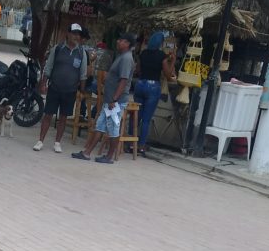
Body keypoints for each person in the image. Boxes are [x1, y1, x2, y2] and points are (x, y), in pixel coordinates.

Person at [72, 32, 135, 165]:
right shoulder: (121, 56)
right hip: (110, 100)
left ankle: (109, 156)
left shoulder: (126, 59)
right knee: (100, 126)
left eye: (121, 40)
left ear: (128, 44)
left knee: (113, 129)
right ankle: (87, 153)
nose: (118, 42)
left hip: (115, 101)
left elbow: (123, 81)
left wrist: (114, 99)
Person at [33, 24, 88, 154]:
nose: (76, 36)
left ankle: (57, 143)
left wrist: (82, 91)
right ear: (67, 34)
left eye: (78, 34)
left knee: (63, 117)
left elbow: (83, 74)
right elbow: (49, 67)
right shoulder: (57, 49)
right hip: (55, 87)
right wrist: (43, 83)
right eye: (74, 33)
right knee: (48, 115)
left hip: (70, 90)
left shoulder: (82, 53)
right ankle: (40, 141)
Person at [135, 31, 176, 156]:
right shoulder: (161, 56)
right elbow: (168, 75)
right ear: (160, 43)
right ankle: (141, 146)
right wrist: (172, 61)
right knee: (146, 119)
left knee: (136, 116)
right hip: (153, 87)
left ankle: (130, 142)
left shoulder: (143, 53)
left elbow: (137, 70)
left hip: (140, 84)